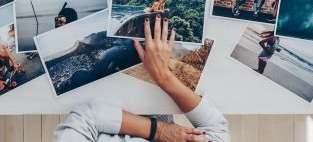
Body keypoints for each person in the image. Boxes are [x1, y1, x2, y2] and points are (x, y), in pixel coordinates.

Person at [54, 15, 230, 142]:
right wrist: (163, 76)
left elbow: (86, 117)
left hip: (102, 98)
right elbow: (217, 128)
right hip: (152, 98)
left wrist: (160, 132)